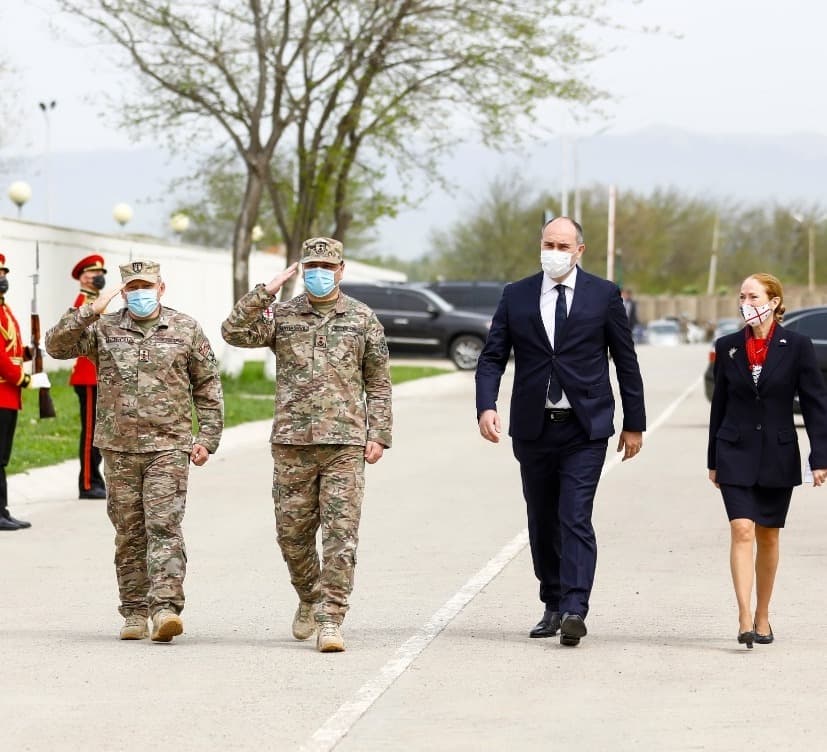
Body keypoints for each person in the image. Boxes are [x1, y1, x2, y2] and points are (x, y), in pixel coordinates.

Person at [476, 217, 646, 647]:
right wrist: (487, 405)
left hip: (584, 428)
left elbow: (625, 361)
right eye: (548, 243)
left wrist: (634, 423)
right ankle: (552, 601)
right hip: (533, 428)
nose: (554, 250)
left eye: (562, 244)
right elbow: (493, 355)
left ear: (579, 251)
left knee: (573, 515)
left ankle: (575, 607)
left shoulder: (603, 295)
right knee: (542, 519)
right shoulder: (516, 295)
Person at [220, 237, 392, 653]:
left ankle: (331, 618)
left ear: (341, 269)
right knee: (291, 535)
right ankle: (309, 595)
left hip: (344, 443)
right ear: (301, 268)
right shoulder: (282, 315)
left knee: (340, 535)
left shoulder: (362, 318)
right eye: (311, 265)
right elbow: (233, 332)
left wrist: (379, 433)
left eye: (326, 266)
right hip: (292, 442)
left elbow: (379, 380)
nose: (318, 272)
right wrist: (266, 291)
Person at [45, 259, 224, 642]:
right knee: (129, 532)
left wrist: (207, 437)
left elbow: (207, 386)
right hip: (119, 447)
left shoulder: (185, 328)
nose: (140, 294)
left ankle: (165, 609)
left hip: (169, 446)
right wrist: (91, 310)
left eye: (147, 286)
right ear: (123, 292)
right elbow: (56, 346)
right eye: (132, 288)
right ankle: (133, 611)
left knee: (163, 526)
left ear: (162, 288)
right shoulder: (104, 329)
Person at [707, 273, 827, 649]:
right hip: (734, 451)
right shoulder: (728, 346)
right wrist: (713, 458)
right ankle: (744, 616)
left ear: (774, 301)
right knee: (742, 529)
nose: (747, 302)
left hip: (778, 453)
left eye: (754, 296)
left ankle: (763, 613)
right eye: (742, 295)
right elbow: (719, 407)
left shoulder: (798, 346)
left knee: (768, 536)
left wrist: (820, 456)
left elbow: (815, 405)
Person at [0, 254, 51, 532]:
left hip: (8, 396)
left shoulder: (4, 310)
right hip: (3, 391)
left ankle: (3, 511)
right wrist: (26, 379)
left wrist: (31, 353)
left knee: (2, 458)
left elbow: (11, 350)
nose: (3, 279)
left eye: (4, 274)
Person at [69, 254, 108, 499]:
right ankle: (87, 482)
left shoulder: (97, 301)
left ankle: (95, 478)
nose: (100, 277)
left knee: (99, 431)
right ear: (84, 277)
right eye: (95, 273)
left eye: (102, 273)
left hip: (98, 375)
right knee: (91, 433)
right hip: (88, 375)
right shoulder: (84, 303)